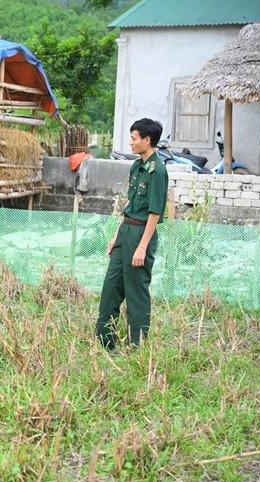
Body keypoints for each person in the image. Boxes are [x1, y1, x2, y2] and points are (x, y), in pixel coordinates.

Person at [96, 118, 168, 349]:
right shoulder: (137, 166)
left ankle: (137, 347)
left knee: (136, 293)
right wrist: (116, 237)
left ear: (147, 140)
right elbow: (131, 205)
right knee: (110, 289)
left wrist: (142, 246)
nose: (131, 142)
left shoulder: (158, 171)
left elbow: (155, 213)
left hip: (141, 234)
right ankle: (105, 342)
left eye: (134, 138)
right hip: (126, 230)